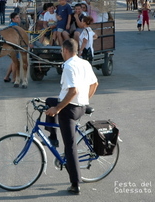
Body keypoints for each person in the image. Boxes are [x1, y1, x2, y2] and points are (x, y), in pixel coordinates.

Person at [45, 39, 99, 195]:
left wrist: (57, 109)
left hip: (69, 110)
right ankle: (53, 135)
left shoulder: (68, 66)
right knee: (48, 102)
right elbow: (95, 84)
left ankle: (75, 184)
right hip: (80, 107)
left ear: (65, 50)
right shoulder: (85, 63)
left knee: (70, 146)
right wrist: (85, 101)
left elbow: (73, 91)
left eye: (62, 50)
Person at [3, 12, 21, 82]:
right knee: (15, 62)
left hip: (9, 46)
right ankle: (14, 78)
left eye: (19, 17)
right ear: (13, 19)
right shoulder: (15, 27)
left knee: (13, 61)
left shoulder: (11, 25)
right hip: (14, 46)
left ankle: (7, 77)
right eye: (17, 18)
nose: (19, 19)